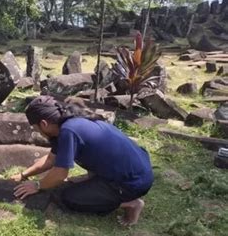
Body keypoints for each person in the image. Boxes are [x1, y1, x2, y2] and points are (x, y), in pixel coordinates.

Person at [12, 95, 154, 226]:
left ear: (44, 124)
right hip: (136, 168)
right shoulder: (68, 123)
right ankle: (98, 182)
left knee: (69, 198)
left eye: (35, 128)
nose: (37, 132)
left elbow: (60, 175)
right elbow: (50, 160)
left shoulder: (68, 131)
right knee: (68, 185)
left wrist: (37, 185)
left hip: (133, 182)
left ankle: (131, 203)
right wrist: (24, 175)